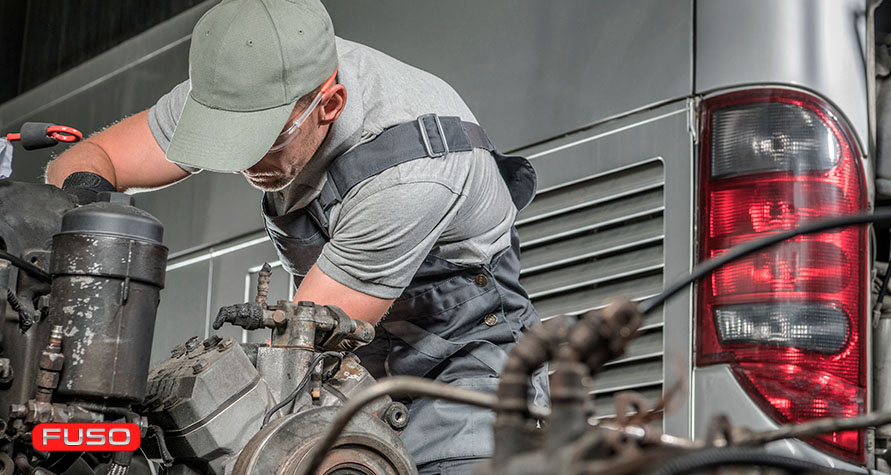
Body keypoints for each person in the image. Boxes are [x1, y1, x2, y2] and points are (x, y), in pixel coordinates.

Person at [45, 0, 549, 473]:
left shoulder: (409, 175)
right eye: (226, 137)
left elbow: (292, 368)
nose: (244, 162)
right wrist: (84, 214)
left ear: (329, 105)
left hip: (466, 373)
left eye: (262, 140)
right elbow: (90, 160)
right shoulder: (243, 83)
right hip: (359, 368)